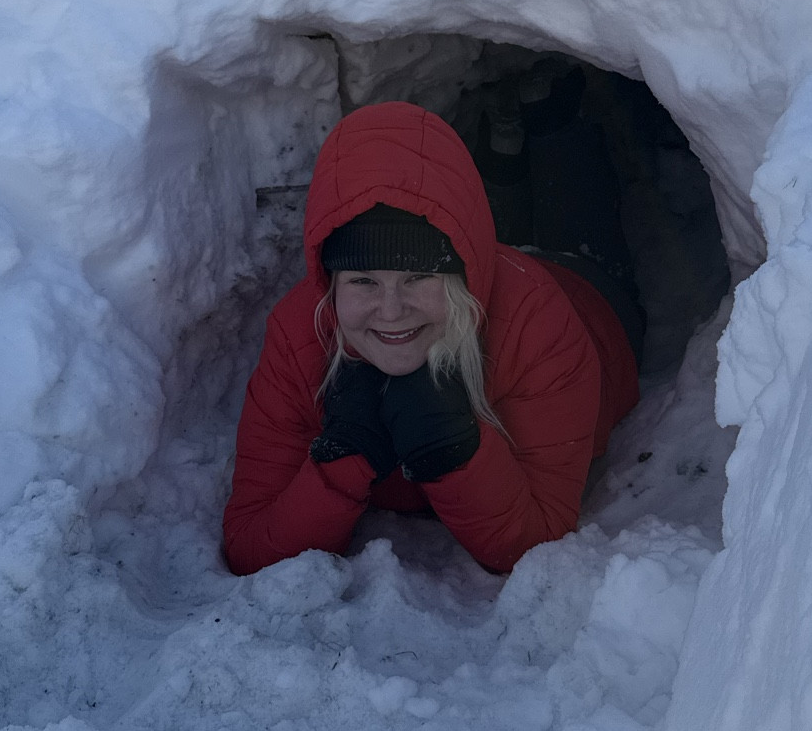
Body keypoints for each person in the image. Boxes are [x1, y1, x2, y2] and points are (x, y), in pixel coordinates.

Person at [223, 96, 641, 577]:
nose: (392, 311)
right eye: (363, 281)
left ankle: (552, 111)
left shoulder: (538, 328)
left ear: (461, 275)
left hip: (590, 299)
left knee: (574, 202)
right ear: (330, 282)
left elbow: (538, 543)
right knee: (499, 221)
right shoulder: (301, 336)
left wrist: (454, 446)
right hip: (489, 268)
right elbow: (250, 545)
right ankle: (504, 156)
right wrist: (343, 458)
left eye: (418, 277)